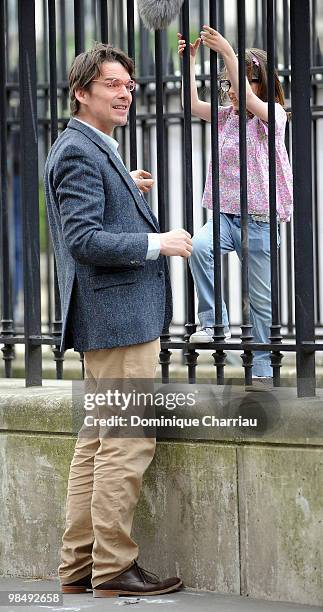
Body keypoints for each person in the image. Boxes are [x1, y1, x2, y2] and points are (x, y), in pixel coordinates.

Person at [44, 42, 192, 597]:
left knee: (97, 440)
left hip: (111, 319)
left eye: (129, 85)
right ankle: (112, 567)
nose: (126, 92)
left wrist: (127, 188)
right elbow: (84, 240)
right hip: (119, 320)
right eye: (112, 84)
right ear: (82, 92)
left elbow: (88, 216)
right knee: (126, 442)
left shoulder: (88, 146)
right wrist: (158, 242)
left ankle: (79, 565)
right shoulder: (79, 151)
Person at [178, 27, 293, 380]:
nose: (229, 92)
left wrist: (228, 51)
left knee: (260, 302)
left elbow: (248, 99)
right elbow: (192, 105)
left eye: (236, 83)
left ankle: (260, 370)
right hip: (227, 217)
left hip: (260, 221)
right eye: (226, 85)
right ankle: (214, 324)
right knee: (197, 246)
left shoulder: (272, 116)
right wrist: (190, 64)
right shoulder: (228, 117)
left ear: (260, 83)